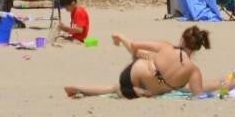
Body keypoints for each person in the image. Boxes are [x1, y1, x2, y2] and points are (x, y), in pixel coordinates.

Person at [64, 27, 212, 99]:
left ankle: (79, 88)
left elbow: (135, 44)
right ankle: (132, 90)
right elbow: (198, 94)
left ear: (182, 39)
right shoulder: (193, 70)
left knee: (145, 57)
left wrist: (137, 56)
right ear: (198, 47)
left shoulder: (166, 46)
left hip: (131, 73)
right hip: (143, 87)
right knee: (116, 88)